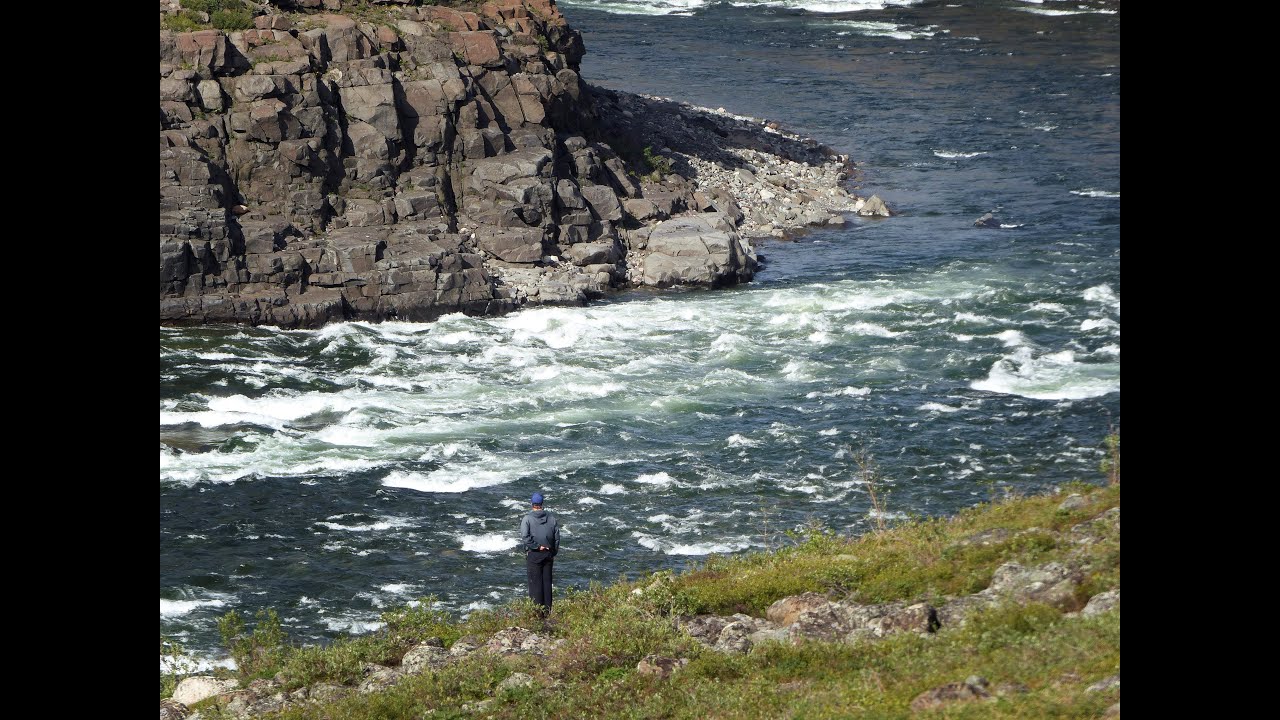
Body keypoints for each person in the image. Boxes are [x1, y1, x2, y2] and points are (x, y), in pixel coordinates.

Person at [520, 491, 560, 616]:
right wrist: (552, 552)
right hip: (548, 554)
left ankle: (537, 614)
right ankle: (548, 613)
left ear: (532, 504)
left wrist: (537, 547)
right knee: (547, 584)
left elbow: (525, 537)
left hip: (534, 554)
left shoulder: (527, 518)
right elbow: (557, 538)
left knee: (535, 585)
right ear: (542, 504)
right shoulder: (552, 518)